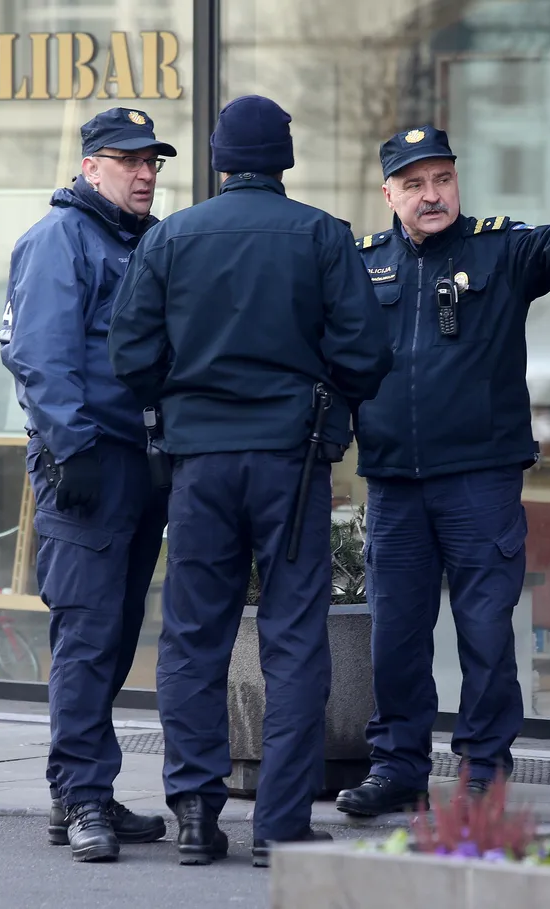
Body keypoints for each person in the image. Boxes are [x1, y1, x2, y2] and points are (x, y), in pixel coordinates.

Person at [107, 95, 394, 867]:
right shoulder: (324, 237)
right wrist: (320, 402)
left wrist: (184, 395)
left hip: (200, 464)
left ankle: (197, 815)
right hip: (292, 460)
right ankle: (281, 824)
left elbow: (129, 357)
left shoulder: (170, 238)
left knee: (193, 636)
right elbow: (368, 355)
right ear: (285, 159)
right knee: (295, 640)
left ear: (218, 160)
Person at [335, 125, 550, 818]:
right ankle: (397, 768)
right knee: (395, 637)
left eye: (441, 179)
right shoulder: (362, 266)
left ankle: (482, 768)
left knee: (483, 631)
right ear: (388, 193)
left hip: (478, 480)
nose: (431, 194)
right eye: (413, 184)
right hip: (393, 484)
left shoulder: (497, 250)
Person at [0, 107, 179, 863]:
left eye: (152, 162)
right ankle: (78, 795)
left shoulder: (142, 240)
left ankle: (87, 788)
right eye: (128, 160)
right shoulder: (58, 239)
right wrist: (72, 450)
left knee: (112, 635)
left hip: (138, 462)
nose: (144, 174)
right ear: (90, 166)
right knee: (87, 634)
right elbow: (39, 355)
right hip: (88, 461)